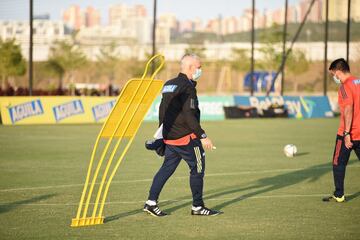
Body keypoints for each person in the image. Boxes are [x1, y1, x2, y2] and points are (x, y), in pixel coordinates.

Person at [143, 53, 221, 216]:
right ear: (191, 68)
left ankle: (151, 202)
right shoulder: (187, 86)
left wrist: (163, 135)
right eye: (199, 67)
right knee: (198, 169)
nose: (200, 70)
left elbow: (162, 110)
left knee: (166, 169)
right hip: (187, 138)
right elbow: (189, 115)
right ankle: (198, 207)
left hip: (171, 137)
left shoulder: (169, 84)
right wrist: (202, 135)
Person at [323, 58, 360, 203]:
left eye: (333, 74)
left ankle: (339, 194)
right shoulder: (358, 82)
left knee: (338, 163)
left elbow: (348, 109)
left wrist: (346, 133)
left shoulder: (345, 87)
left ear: (338, 71)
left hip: (349, 133)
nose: (334, 77)